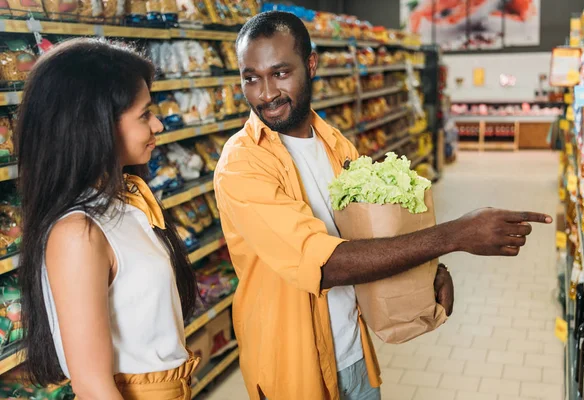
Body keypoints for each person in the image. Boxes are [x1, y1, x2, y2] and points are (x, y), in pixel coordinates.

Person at [214, 11, 553, 400]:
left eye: (280, 73)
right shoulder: (242, 165)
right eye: (250, 78)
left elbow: (369, 233)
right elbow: (324, 264)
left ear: (310, 64)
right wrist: (454, 236)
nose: (266, 93)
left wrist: (428, 268)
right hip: (292, 370)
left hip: (353, 352)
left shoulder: (335, 143)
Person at [17, 38, 199, 400]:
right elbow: (93, 386)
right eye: (144, 114)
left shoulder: (125, 202)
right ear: (95, 125)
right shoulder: (78, 233)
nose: (159, 125)